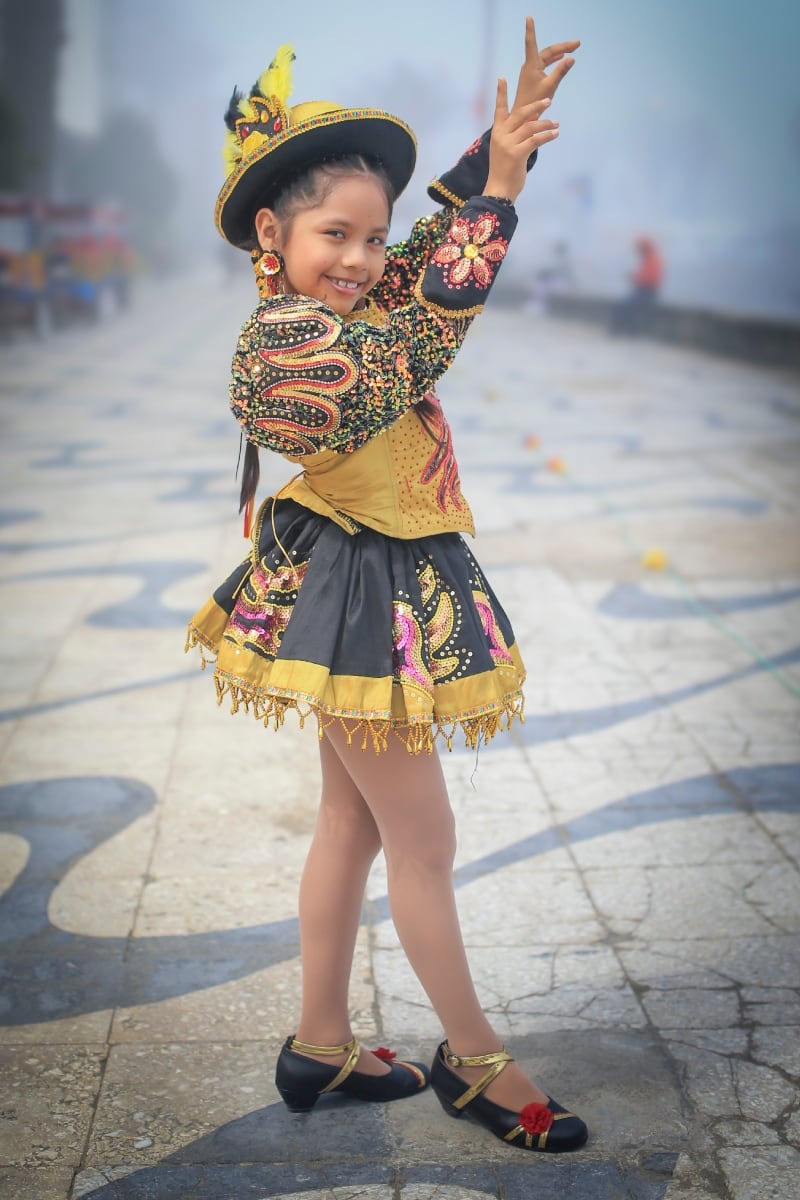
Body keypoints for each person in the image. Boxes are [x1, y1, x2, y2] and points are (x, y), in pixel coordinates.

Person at [186, 17, 588, 1155]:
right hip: (359, 601)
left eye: (370, 237)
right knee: (424, 843)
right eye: (334, 234)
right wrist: (496, 204)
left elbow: (420, 269)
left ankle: (318, 1039)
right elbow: (421, 340)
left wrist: (496, 159)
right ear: (271, 231)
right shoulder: (284, 350)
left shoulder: (349, 300)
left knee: (353, 828)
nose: (362, 257)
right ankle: (473, 1062)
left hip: (365, 582)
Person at [611, 234, 664, 335]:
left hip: (647, 292)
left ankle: (622, 330)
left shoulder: (653, 259)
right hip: (642, 291)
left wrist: (634, 277)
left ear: (644, 248)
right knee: (623, 306)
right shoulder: (648, 259)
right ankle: (625, 330)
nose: (638, 252)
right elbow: (644, 276)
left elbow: (649, 278)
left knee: (624, 307)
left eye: (640, 249)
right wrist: (634, 277)